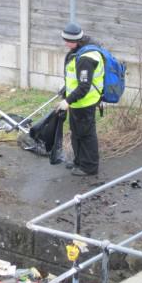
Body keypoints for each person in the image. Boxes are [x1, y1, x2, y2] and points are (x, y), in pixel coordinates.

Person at [56, 22, 104, 176]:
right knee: (76, 132)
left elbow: (84, 86)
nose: (65, 44)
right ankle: (79, 161)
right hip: (78, 102)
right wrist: (66, 89)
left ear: (75, 40)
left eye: (67, 41)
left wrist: (67, 101)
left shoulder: (85, 58)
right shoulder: (80, 48)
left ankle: (89, 167)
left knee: (86, 135)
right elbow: (75, 79)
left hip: (85, 102)